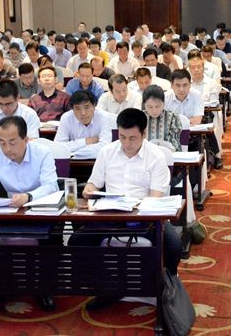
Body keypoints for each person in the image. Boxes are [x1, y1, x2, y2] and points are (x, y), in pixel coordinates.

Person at [71, 108, 182, 311]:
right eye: (122, 137)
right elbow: (94, 183)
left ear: (144, 134)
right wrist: (89, 190)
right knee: (77, 241)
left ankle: (165, 289)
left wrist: (137, 207)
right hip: (110, 215)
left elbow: (155, 197)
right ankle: (106, 287)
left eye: (132, 138)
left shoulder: (156, 156)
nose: (126, 144)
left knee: (173, 246)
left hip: (144, 217)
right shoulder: (107, 152)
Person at [0, 115, 59, 311]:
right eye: (2, 143)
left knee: (52, 235)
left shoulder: (42, 153)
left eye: (12, 142)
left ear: (25, 139)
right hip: (10, 209)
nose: (7, 148)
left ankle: (45, 288)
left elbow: (51, 185)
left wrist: (29, 196)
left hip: (38, 208)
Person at [0, 80, 40, 152]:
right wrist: (3, 132)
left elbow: (33, 141)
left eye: (8, 104)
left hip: (20, 155)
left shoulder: (29, 114)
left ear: (17, 98)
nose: (4, 108)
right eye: (0, 104)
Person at [54, 90, 117, 159]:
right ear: (72, 109)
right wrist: (84, 141)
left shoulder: (103, 117)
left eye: (86, 107)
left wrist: (76, 152)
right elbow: (58, 147)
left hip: (98, 160)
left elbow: (105, 146)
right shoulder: (66, 118)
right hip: (73, 162)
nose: (83, 113)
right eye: (78, 109)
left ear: (94, 106)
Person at [142, 84, 183, 151]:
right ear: (144, 105)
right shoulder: (139, 117)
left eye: (157, 106)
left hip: (166, 154)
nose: (154, 111)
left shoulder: (172, 118)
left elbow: (175, 145)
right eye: (150, 107)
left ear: (163, 103)